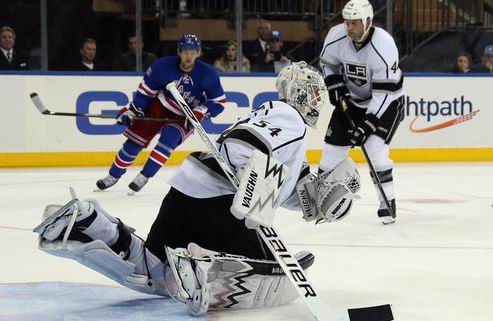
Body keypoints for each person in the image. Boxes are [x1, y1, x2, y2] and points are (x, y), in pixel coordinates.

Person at [33, 62, 361, 315]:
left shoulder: (282, 128)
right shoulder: (289, 116)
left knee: (154, 269)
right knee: (270, 270)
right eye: (316, 93)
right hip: (218, 201)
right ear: (303, 94)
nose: (320, 101)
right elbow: (244, 144)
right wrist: (249, 184)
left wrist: (321, 202)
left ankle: (89, 223)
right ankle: (200, 265)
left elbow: (287, 188)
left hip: (187, 190)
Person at [96, 33, 227, 194]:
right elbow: (146, 91)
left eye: (193, 52)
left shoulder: (208, 73)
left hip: (184, 115)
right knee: (134, 141)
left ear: (198, 53)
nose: (189, 56)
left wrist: (200, 112)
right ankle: (113, 175)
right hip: (159, 107)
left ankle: (144, 176)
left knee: (168, 141)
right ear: (179, 51)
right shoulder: (162, 66)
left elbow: (218, 102)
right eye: (185, 51)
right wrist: (133, 109)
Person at [319, 0, 404, 225]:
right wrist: (333, 80)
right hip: (351, 101)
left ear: (368, 21)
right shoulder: (336, 36)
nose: (349, 28)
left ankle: (388, 201)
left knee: (375, 149)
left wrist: (368, 124)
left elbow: (384, 94)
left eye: (355, 23)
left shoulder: (384, 46)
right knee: (331, 150)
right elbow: (327, 63)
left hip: (387, 102)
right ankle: (319, 198)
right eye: (347, 22)